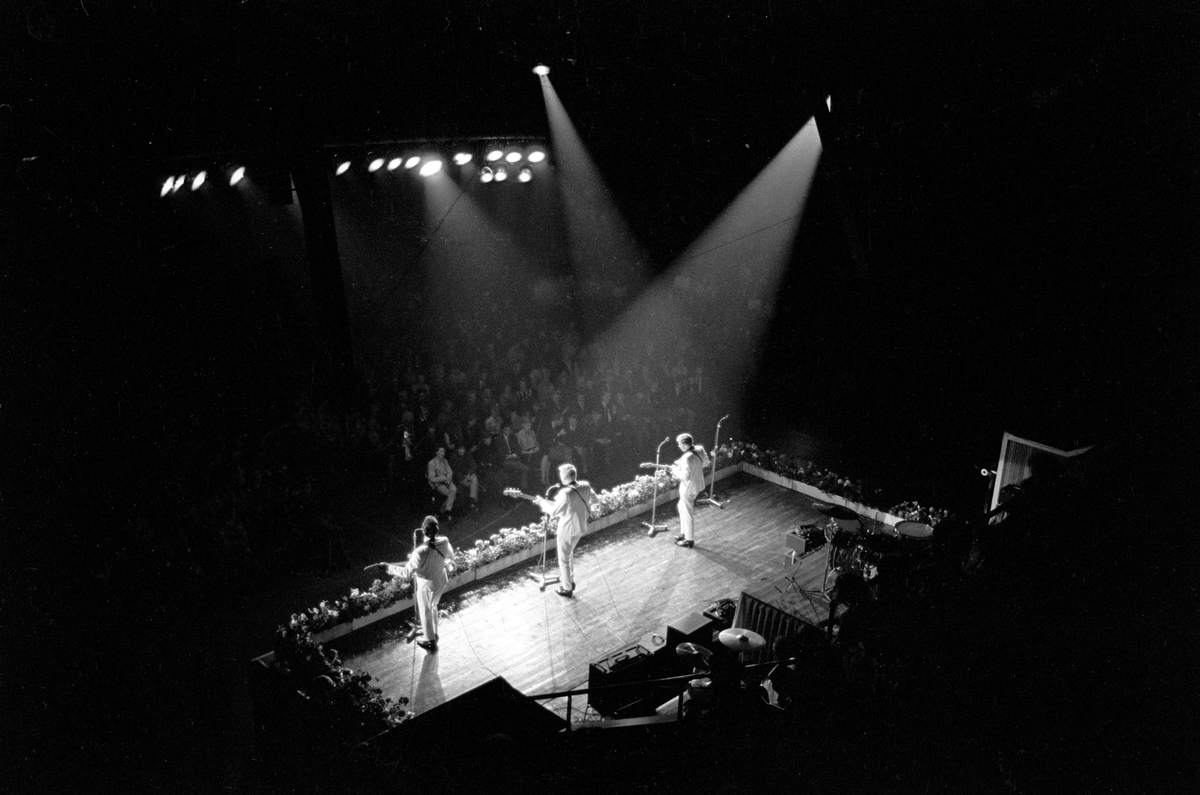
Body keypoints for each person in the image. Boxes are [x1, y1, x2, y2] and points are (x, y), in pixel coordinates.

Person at [533, 463, 598, 597]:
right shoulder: (585, 485)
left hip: (567, 530)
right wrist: (578, 509)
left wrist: (541, 503)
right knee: (569, 555)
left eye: (561, 474)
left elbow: (554, 511)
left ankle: (567, 588)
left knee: (563, 559)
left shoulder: (566, 493)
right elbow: (595, 500)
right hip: (580, 527)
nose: (560, 476)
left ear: (565, 476)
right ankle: (570, 581)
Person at [404, 516, 455, 651]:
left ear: (424, 530)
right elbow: (449, 557)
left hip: (427, 586)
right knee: (433, 607)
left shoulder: (419, 552)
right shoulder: (444, 541)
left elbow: (406, 572)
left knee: (425, 613)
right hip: (440, 581)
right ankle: (434, 634)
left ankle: (430, 641)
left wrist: (387, 567)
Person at [671, 432, 709, 548]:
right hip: (698, 483)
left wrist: (674, 470)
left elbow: (684, 477)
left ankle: (689, 539)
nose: (679, 446)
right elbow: (706, 462)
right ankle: (684, 533)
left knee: (687, 512)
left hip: (688, 488)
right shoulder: (699, 449)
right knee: (681, 507)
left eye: (679, 444)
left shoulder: (686, 457)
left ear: (685, 444)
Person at [427, 445, 457, 519]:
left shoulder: (445, 461)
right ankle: (447, 512)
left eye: (443, 451)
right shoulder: (431, 463)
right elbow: (431, 478)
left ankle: (442, 511)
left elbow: (450, 472)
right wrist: (442, 479)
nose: (443, 453)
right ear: (436, 452)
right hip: (438, 484)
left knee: (454, 490)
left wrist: (449, 479)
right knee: (451, 495)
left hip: (448, 481)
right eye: (441, 451)